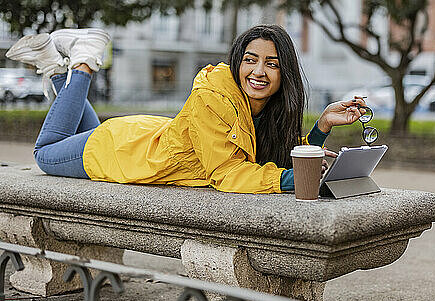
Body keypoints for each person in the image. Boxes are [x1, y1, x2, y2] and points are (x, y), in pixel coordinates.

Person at [6, 24, 367, 193]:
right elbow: (227, 172)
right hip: (123, 154)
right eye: (251, 60)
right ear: (238, 61)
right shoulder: (214, 96)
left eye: (271, 64)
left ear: (283, 72)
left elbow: (271, 154)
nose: (259, 71)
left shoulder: (264, 107)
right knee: (44, 154)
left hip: (137, 137)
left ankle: (54, 66)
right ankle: (85, 60)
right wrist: (296, 179)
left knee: (77, 128)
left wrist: (321, 127)